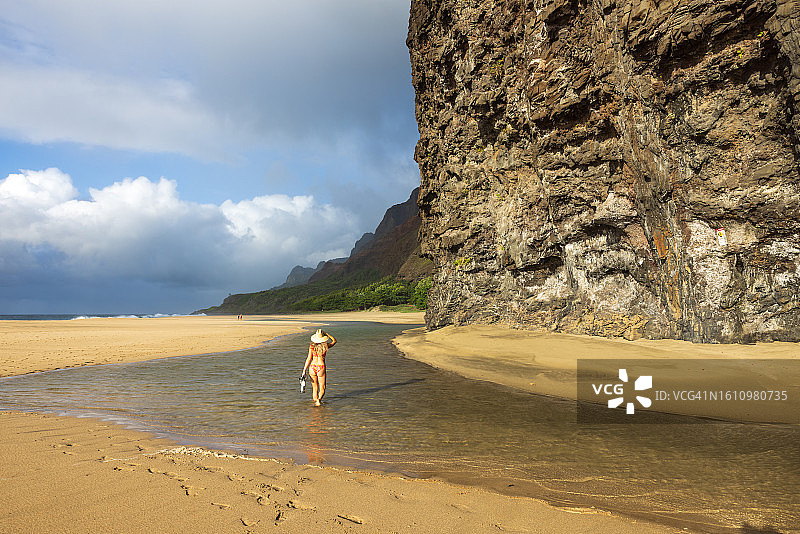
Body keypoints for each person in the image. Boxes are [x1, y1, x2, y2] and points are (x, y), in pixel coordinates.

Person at [301, 329, 336, 406]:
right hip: (321, 367)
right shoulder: (325, 346)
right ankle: (319, 400)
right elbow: (334, 341)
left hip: (312, 367)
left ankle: (315, 405)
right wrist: (327, 334)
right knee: (322, 387)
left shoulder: (312, 346)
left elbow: (308, 358)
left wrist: (304, 370)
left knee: (315, 388)